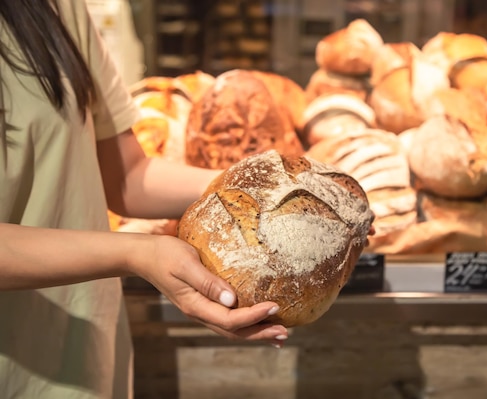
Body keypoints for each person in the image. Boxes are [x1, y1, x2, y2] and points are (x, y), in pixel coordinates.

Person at [0, 0, 289, 397]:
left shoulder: (55, 7)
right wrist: (138, 253)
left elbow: (127, 177)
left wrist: (272, 187)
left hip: (84, 353)